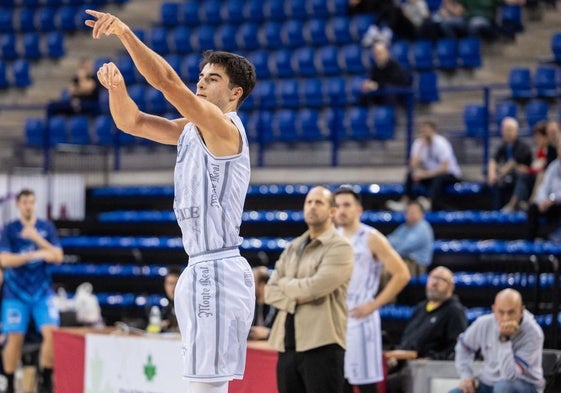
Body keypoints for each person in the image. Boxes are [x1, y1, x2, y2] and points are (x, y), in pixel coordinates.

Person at [85, 9, 257, 393]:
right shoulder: (191, 129)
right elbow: (133, 123)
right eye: (200, 77)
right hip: (198, 265)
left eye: (212, 79)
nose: (200, 84)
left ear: (234, 94)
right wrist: (117, 90)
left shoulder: (224, 128)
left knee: (204, 387)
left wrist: (126, 32)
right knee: (201, 383)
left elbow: (165, 81)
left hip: (218, 267)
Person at [265, 186, 354, 393]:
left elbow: (314, 288)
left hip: (322, 345)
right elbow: (270, 290)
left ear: (332, 211)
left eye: (319, 202)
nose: (312, 207)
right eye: (309, 202)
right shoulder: (293, 247)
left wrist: (286, 286)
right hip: (287, 345)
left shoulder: (340, 247)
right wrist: (296, 293)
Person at [333, 187, 410, 393]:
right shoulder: (332, 236)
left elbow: (402, 274)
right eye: (338, 205)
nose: (341, 210)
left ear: (359, 209)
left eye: (347, 205)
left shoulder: (371, 237)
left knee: (365, 383)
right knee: (340, 382)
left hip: (361, 318)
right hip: (336, 318)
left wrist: (374, 304)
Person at [0, 189, 64, 393]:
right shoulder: (10, 229)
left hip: (42, 292)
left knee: (52, 333)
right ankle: (9, 382)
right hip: (15, 293)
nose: (28, 205)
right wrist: (34, 255)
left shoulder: (46, 227)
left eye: (32, 202)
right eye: (25, 202)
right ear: (18, 205)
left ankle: (45, 379)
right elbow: (4, 260)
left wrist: (37, 239)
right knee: (14, 337)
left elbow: (57, 256)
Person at [386, 266, 467, 393]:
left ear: (451, 287)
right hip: (405, 365)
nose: (435, 282)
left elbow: (457, 348)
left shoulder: (454, 312)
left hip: (427, 370)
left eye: (441, 280)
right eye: (433, 277)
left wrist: (431, 358)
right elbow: (407, 341)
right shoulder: (420, 308)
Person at [448, 289, 544, 393]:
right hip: (488, 383)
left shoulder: (533, 333)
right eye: (501, 312)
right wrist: (466, 376)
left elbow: (509, 376)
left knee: (503, 387)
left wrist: (504, 339)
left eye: (511, 312)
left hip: (525, 384)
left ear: (521, 311)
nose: (506, 318)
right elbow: (463, 347)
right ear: (494, 309)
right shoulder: (483, 323)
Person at [386, 120, 462, 211]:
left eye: (426, 129)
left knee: (439, 177)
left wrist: (425, 174)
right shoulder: (419, 143)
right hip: (431, 175)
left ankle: (428, 202)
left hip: (450, 175)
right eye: (422, 130)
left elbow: (444, 169)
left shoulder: (441, 143)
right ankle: (404, 202)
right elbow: (412, 165)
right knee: (411, 175)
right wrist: (420, 148)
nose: (424, 132)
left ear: (433, 130)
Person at [487, 117, 533, 212]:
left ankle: (512, 206)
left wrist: (500, 173)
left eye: (510, 130)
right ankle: (495, 212)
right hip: (508, 177)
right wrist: (492, 174)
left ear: (516, 131)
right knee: (495, 183)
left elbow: (512, 164)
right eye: (505, 130)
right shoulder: (504, 145)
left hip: (522, 178)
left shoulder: (523, 146)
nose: (507, 133)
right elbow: (493, 160)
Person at [387, 200, 434, 276]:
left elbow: (404, 247)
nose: (410, 214)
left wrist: (393, 248)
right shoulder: (404, 227)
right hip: (402, 260)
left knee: (387, 272)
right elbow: (388, 241)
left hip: (416, 265)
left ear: (421, 214)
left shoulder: (423, 227)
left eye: (413, 212)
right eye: (408, 212)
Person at [527, 140, 561, 241]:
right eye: (559, 148)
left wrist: (552, 199)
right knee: (533, 208)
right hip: (549, 204)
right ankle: (530, 243)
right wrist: (542, 201)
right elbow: (544, 186)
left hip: (557, 202)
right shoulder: (553, 166)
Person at [361, 42, 411, 107]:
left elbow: (394, 82)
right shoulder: (375, 67)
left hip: (396, 97)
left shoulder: (395, 66)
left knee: (389, 92)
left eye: (380, 53)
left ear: (387, 52)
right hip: (380, 96)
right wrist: (368, 85)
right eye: (375, 54)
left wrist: (376, 85)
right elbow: (372, 80)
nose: (377, 56)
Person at [248, 266, 277, 340]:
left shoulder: (278, 305)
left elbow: (285, 333)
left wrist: (268, 333)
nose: (249, 287)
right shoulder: (249, 304)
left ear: (262, 285)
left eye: (253, 282)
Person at [161, 266, 180, 333]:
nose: (173, 288)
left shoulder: (189, 305)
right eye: (170, 284)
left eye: (175, 283)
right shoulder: (166, 306)